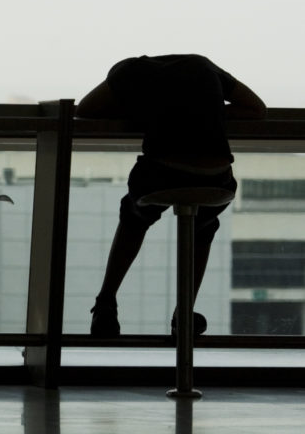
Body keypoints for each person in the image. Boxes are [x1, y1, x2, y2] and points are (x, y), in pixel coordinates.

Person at [77, 54, 265, 337]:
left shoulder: (128, 71)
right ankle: (184, 312)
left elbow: (85, 110)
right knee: (204, 226)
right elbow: (256, 109)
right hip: (216, 177)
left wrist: (145, 111)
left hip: (162, 174)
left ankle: (106, 301)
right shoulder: (202, 65)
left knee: (134, 216)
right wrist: (206, 111)